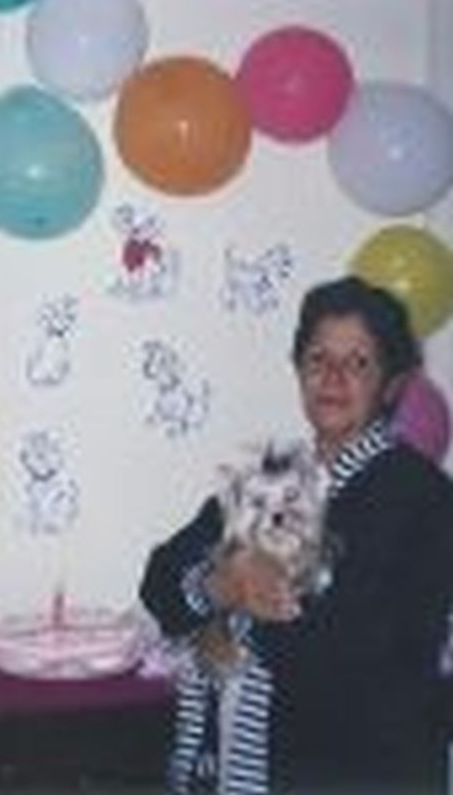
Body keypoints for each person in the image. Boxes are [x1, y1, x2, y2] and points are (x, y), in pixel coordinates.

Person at [140, 276, 453, 794]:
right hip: (244, 768)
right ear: (298, 369)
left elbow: (358, 652)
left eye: (358, 363)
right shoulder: (271, 478)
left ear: (391, 384)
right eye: (317, 358)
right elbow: (160, 581)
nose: (332, 377)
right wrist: (221, 587)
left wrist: (229, 625)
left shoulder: (422, 497)